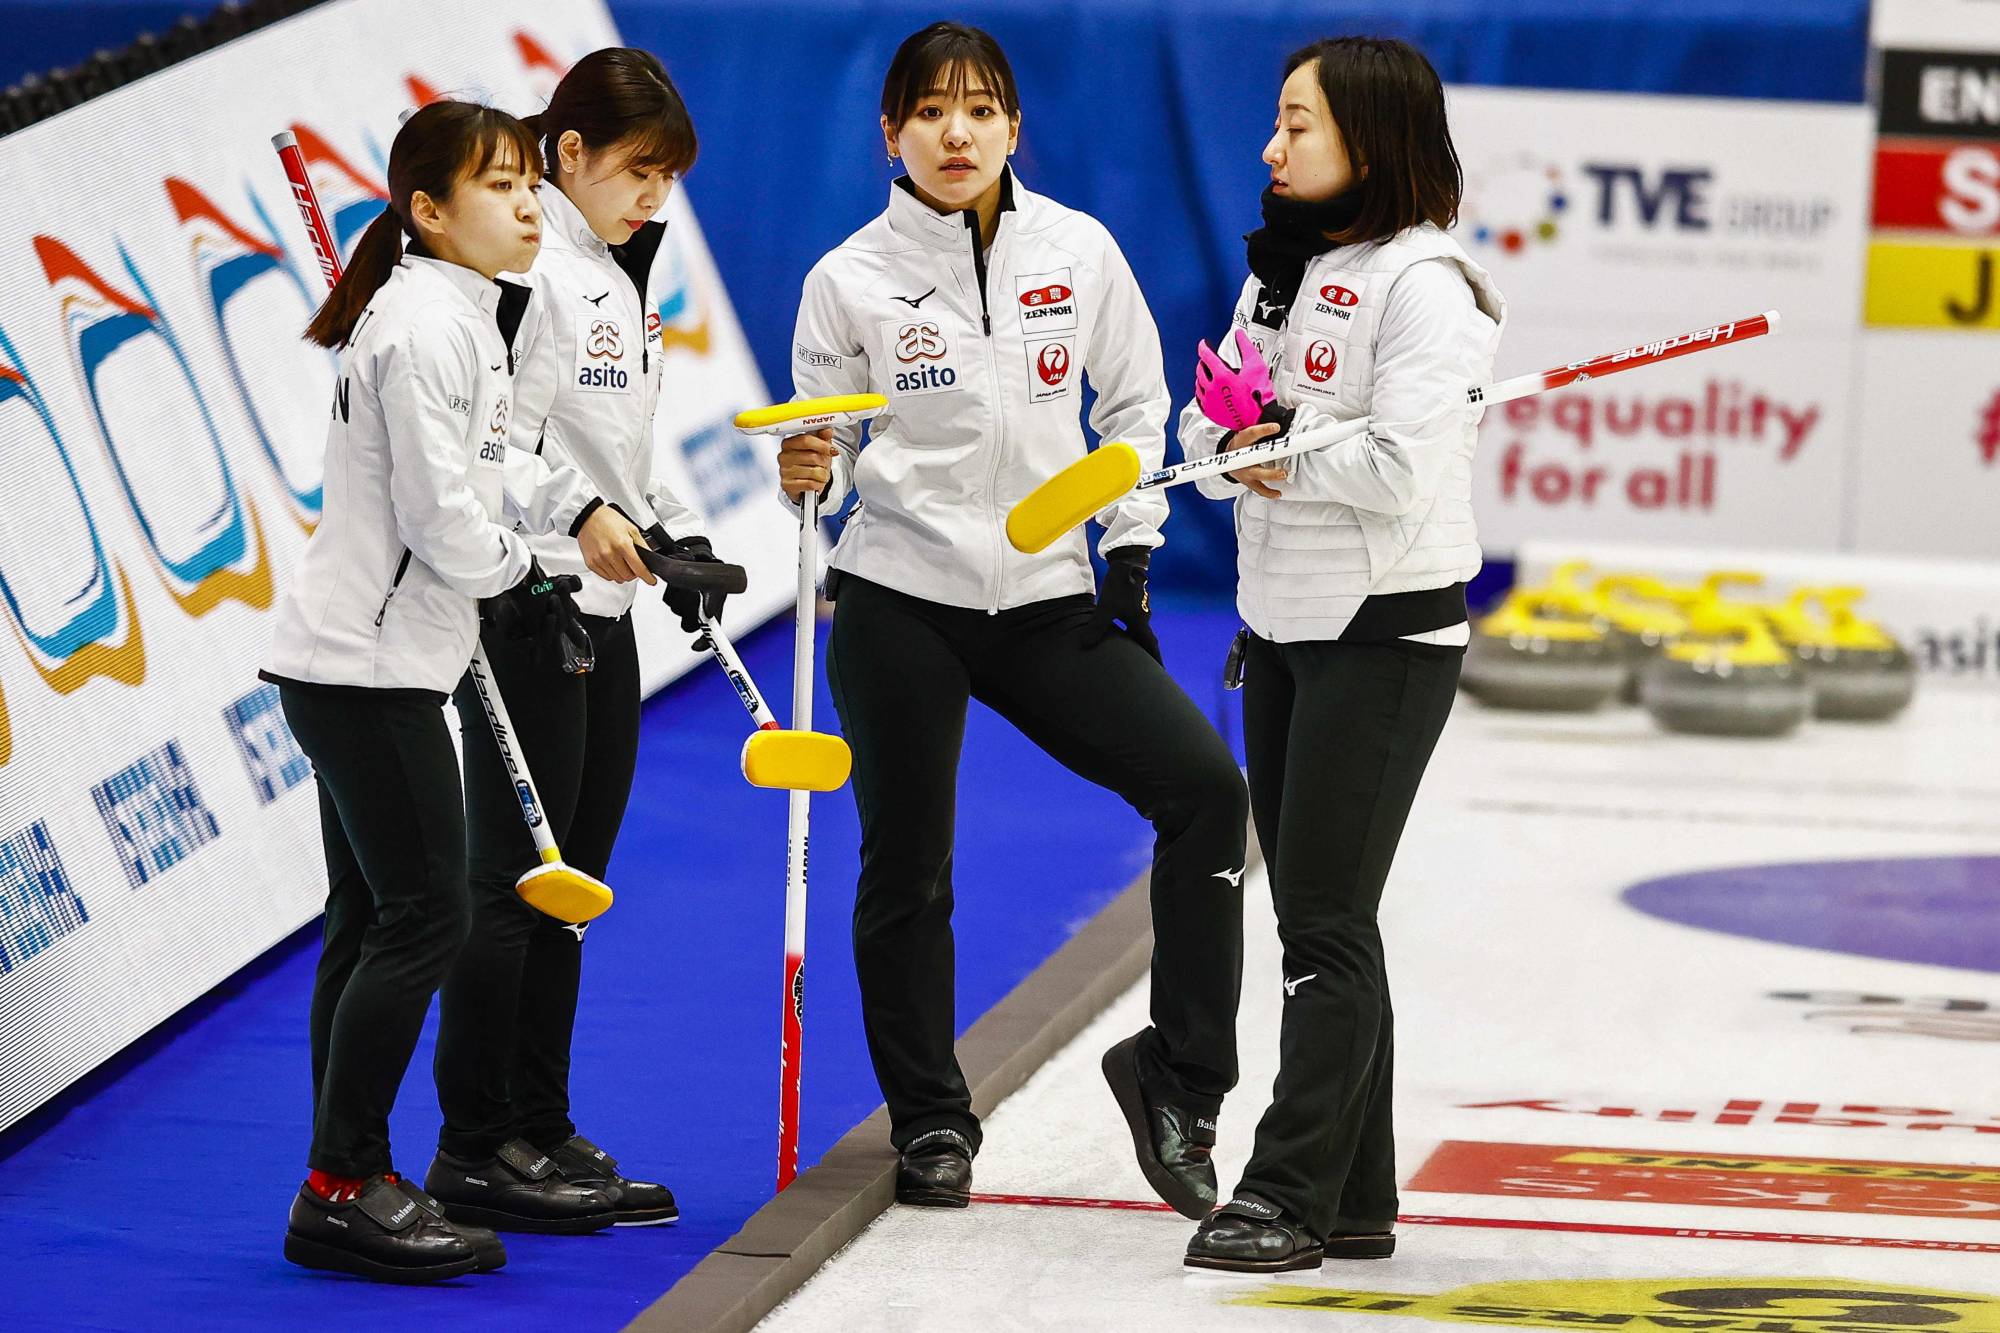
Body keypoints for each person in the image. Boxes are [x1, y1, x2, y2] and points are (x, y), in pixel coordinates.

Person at [777, 21, 1247, 1217]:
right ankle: (931, 1118)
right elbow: (820, 453)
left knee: (1206, 792)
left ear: (1013, 128)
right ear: (889, 133)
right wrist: (805, 470)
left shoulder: (1077, 251)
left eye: (979, 108)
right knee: (906, 870)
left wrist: (1129, 554)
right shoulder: (848, 278)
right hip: (898, 598)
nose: (956, 132)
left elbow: (1138, 406)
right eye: (928, 111)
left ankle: (1178, 1076)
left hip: (1046, 601)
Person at [262, 99, 650, 1282]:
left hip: (362, 660)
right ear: (427, 213)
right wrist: (531, 573)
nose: (528, 205)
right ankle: (344, 1183)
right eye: (498, 188)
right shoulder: (428, 327)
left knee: (372, 921)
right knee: (425, 917)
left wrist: (573, 514)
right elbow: (443, 527)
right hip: (366, 669)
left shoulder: (459, 320)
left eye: (530, 185)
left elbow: (490, 471)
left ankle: (340, 1172)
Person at [1175, 37, 1506, 1272]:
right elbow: (1204, 422)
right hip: (1279, 629)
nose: (1269, 146)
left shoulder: (1430, 286)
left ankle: (1286, 1190)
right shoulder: (1285, 269)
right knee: (1328, 913)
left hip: (1383, 636)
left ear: (1367, 139)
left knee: (1316, 917)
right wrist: (1236, 436)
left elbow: (1394, 471)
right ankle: (1356, 1191)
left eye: (1296, 125)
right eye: (1274, 120)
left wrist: (1279, 437)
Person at [427, 46, 719, 1236]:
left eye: (667, 180)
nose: (654, 199)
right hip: (524, 604)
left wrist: (674, 535)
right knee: (511, 885)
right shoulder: (531, 265)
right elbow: (488, 443)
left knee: (573, 885)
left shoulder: (610, 265)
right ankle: (472, 1142)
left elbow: (614, 452)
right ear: (569, 155)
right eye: (637, 174)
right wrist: (579, 514)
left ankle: (538, 1124)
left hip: (601, 610)